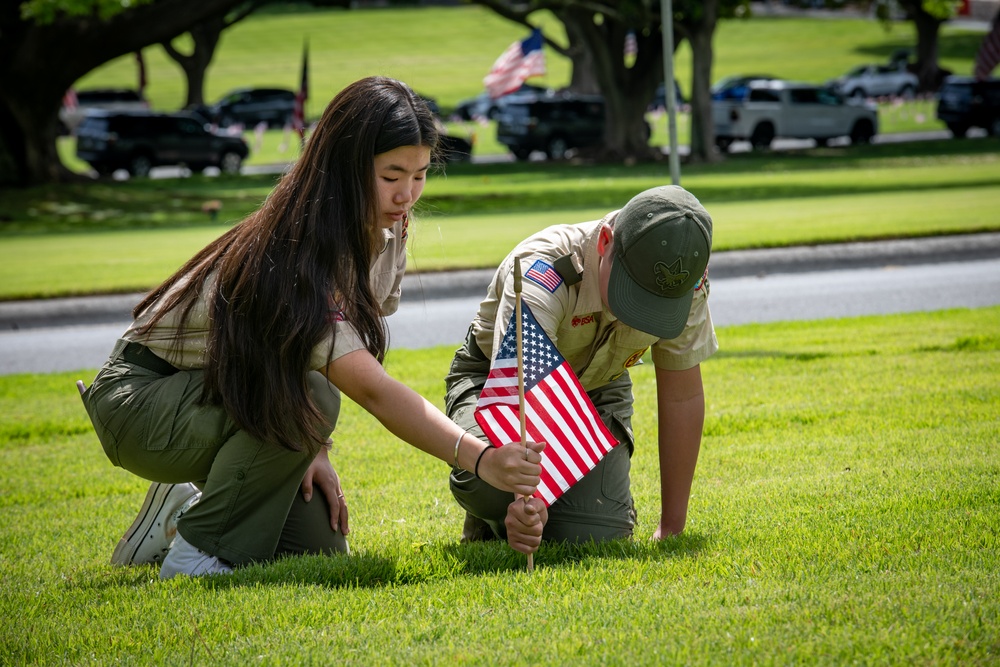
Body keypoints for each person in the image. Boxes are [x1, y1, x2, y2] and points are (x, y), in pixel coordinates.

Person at [79, 76, 543, 579]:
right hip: (143, 400)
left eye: (420, 174)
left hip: (223, 397)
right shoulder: (295, 252)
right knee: (317, 399)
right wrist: (481, 458)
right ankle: (194, 557)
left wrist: (310, 451)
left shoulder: (383, 230)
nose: (407, 194)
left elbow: (301, 361)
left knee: (319, 549)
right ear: (345, 168)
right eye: (391, 175)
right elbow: (370, 388)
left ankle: (181, 515)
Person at [445, 185, 716, 555]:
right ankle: (489, 515)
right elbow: (520, 390)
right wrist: (532, 495)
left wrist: (672, 527)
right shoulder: (542, 267)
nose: (632, 313)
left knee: (595, 535)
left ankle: (557, 507)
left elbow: (682, 395)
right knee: (494, 482)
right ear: (605, 242)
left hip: (598, 388)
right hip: (501, 383)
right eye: (631, 291)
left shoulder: (684, 282)